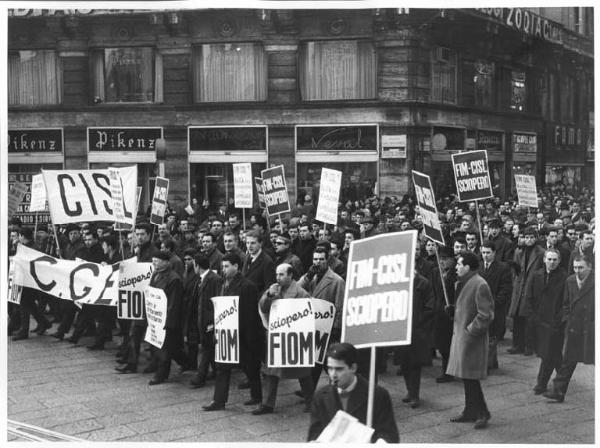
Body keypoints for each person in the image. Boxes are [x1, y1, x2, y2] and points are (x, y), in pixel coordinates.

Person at [203, 253, 263, 411]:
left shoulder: (247, 286)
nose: (223, 269)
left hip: (243, 334)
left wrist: (249, 339)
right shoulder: (222, 284)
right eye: (222, 266)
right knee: (222, 367)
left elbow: (250, 315)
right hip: (226, 333)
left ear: (236, 266)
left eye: (227, 266)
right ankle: (218, 401)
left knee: (250, 367)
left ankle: (257, 396)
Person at [307, 342, 399, 443]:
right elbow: (314, 433)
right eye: (330, 368)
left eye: (339, 369)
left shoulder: (377, 395)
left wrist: (379, 442)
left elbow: (389, 434)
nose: (333, 375)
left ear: (353, 368)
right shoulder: (321, 396)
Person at [253, 264, 314, 415]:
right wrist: (268, 296)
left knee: (303, 372)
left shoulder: (302, 293)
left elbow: (307, 317)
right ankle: (267, 404)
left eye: (281, 275)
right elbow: (263, 307)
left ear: (291, 275)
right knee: (271, 371)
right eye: (277, 274)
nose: (277, 278)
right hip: (277, 337)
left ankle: (312, 402)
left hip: (295, 338)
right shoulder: (274, 289)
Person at [446, 252, 493, 429]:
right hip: (463, 339)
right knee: (467, 378)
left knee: (471, 378)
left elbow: (486, 314)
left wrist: (470, 330)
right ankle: (470, 411)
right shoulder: (465, 282)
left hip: (472, 340)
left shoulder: (480, 284)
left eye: (459, 264)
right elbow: (466, 307)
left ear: (468, 267)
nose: (456, 267)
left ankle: (482, 413)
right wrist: (453, 311)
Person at [544, 255, 594, 402]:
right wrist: (567, 318)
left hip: (591, 328)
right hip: (574, 327)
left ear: (590, 267)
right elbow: (565, 303)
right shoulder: (570, 280)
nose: (577, 271)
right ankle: (558, 391)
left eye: (581, 268)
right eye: (575, 267)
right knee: (568, 360)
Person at [298, 247, 345, 390]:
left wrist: (336, 328)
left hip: (328, 329)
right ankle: (310, 393)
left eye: (321, 259)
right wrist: (307, 276)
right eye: (315, 259)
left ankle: (337, 388)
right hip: (313, 325)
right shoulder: (312, 276)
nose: (318, 262)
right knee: (315, 362)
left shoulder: (336, 280)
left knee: (326, 362)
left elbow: (340, 306)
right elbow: (297, 289)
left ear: (327, 260)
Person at [525, 248, 568, 395]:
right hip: (539, 321)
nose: (552, 262)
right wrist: (532, 316)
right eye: (549, 259)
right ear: (544, 259)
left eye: (555, 259)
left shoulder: (564, 278)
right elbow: (529, 296)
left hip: (555, 323)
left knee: (548, 353)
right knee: (553, 354)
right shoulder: (536, 275)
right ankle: (563, 378)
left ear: (559, 261)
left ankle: (541, 384)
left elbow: (565, 302)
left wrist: (559, 320)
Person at [145, 251, 188, 385]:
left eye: (156, 261)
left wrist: (167, 322)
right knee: (172, 348)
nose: (154, 264)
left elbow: (174, 304)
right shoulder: (155, 274)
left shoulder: (174, 279)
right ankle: (187, 362)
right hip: (156, 318)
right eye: (153, 261)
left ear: (166, 262)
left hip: (167, 319)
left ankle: (161, 375)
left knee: (165, 348)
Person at [395, 270, 435, 408]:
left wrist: (418, 321)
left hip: (416, 330)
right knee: (404, 363)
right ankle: (409, 391)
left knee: (415, 364)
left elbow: (430, 306)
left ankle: (415, 395)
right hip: (401, 328)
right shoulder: (399, 280)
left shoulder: (423, 283)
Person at [508, 227, 545, 355]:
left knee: (529, 319)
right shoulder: (519, 251)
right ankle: (517, 344)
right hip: (520, 287)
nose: (529, 240)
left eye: (531, 237)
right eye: (526, 237)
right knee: (517, 317)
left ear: (536, 238)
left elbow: (542, 271)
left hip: (532, 287)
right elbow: (515, 270)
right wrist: (515, 283)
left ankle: (530, 346)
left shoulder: (540, 253)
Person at [189, 253, 222, 388]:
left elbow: (217, 302)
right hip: (202, 319)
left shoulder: (214, 279)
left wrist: (213, 323)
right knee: (208, 348)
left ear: (197, 266)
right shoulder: (202, 278)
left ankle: (200, 377)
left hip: (209, 321)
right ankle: (215, 371)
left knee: (207, 348)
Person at [479, 241, 512, 371]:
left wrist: (495, 303)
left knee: (492, 337)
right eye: (483, 253)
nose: (485, 256)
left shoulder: (502, 268)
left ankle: (488, 363)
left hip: (495, 308)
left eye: (488, 253)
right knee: (483, 336)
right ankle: (490, 362)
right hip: (480, 307)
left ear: (494, 253)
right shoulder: (479, 266)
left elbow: (505, 289)